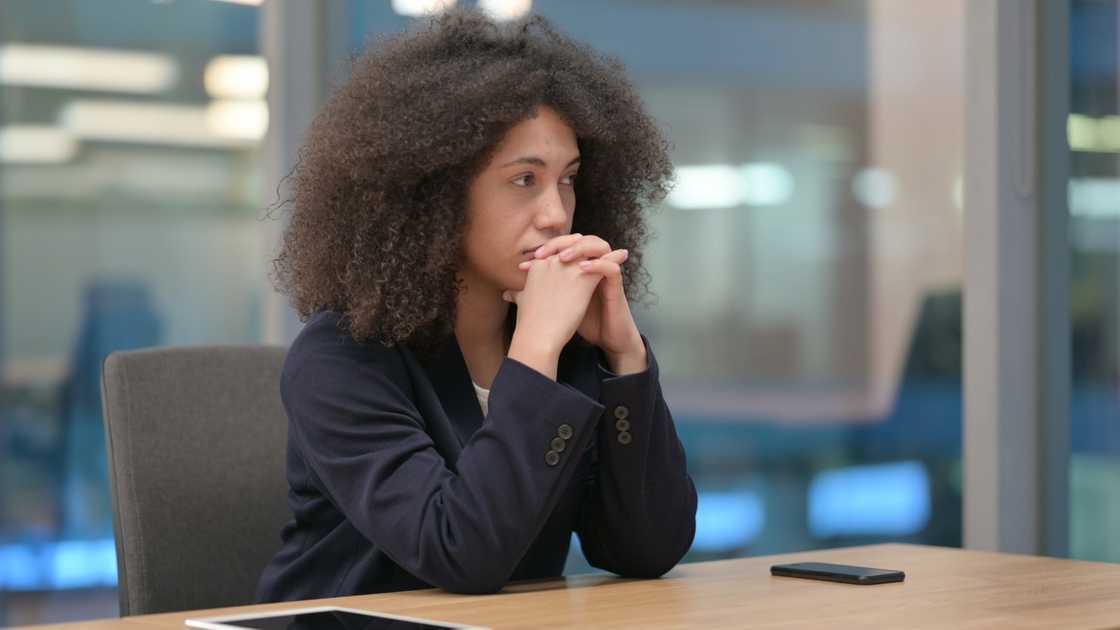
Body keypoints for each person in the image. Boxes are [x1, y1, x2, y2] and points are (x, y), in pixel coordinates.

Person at [255, 7, 697, 601]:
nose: (555, 213)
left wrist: (625, 360)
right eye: (524, 180)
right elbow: (461, 552)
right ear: (435, 196)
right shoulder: (340, 356)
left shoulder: (568, 346)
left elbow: (646, 549)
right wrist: (536, 348)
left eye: (567, 178)